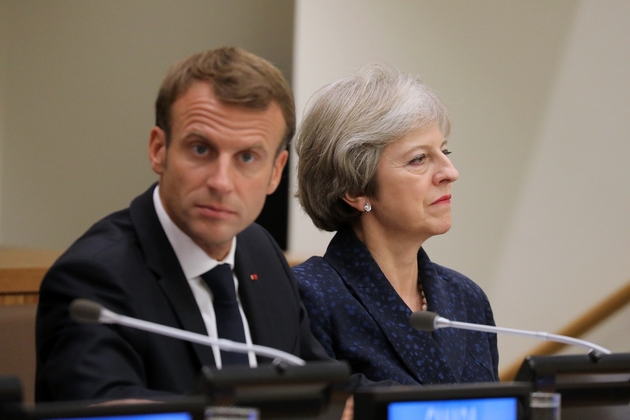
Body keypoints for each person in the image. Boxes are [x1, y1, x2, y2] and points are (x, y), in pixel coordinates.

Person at [35, 47, 332, 402]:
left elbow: (319, 386)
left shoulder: (260, 250)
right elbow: (108, 410)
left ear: (275, 172)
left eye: (247, 157)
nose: (222, 182)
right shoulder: (94, 280)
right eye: (201, 149)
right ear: (159, 149)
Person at [292, 64, 499, 385]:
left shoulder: (467, 298)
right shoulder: (309, 296)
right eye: (419, 159)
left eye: (444, 151)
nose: (450, 172)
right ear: (356, 189)